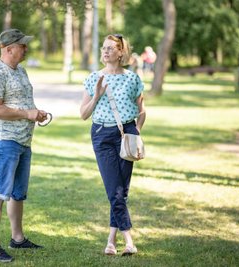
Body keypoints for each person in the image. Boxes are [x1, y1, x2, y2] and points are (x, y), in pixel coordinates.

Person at [0, 28, 48, 263]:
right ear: (9, 49)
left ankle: (17, 239)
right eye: (22, 45)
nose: (26, 48)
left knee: (18, 194)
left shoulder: (20, 70)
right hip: (5, 142)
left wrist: (35, 114)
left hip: (23, 141)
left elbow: (22, 103)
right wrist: (27, 113)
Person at [80, 34, 146, 256]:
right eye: (103, 48)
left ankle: (110, 241)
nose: (105, 51)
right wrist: (97, 95)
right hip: (102, 135)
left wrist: (136, 133)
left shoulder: (133, 79)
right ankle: (129, 241)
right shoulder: (93, 78)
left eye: (111, 48)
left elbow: (142, 111)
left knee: (121, 191)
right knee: (115, 190)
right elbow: (83, 114)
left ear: (121, 53)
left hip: (127, 133)